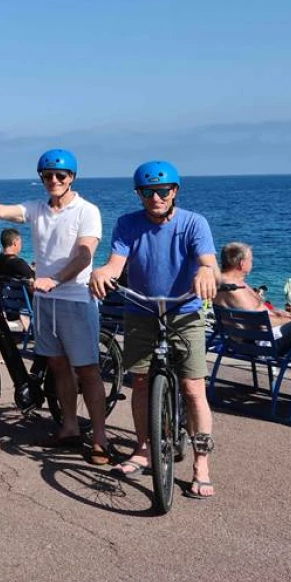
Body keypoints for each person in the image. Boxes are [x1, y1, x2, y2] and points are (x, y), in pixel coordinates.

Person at [0, 149, 109, 464]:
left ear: (72, 178)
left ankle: (100, 438)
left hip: (76, 298)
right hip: (44, 300)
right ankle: (69, 428)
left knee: (87, 370)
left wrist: (54, 279)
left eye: (60, 176)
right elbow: (1, 211)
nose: (53, 180)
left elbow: (84, 254)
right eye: (47, 176)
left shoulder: (87, 211)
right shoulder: (38, 209)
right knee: (57, 366)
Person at [89, 160, 218, 498]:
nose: (156, 197)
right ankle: (144, 448)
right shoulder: (127, 224)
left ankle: (200, 463)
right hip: (142, 310)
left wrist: (205, 272)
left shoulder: (194, 223)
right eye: (148, 191)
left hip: (184, 310)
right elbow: (116, 263)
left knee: (193, 388)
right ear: (139, 194)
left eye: (163, 191)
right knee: (142, 383)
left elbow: (208, 262)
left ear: (174, 192)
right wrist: (104, 272)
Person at [214, 242, 291, 346]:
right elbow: (258, 321)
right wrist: (288, 320)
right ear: (242, 263)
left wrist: (276, 312)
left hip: (239, 341)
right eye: (250, 260)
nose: (252, 263)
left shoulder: (222, 283)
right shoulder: (233, 289)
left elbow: (250, 313)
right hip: (261, 344)